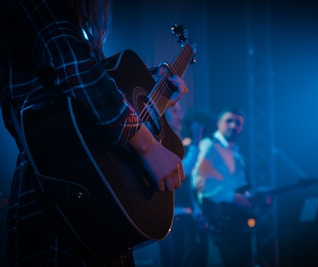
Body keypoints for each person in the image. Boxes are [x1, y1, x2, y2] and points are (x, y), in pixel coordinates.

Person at [0, 0, 188, 266]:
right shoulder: (38, 6)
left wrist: (154, 95)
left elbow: (91, 97)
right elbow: (80, 73)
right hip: (57, 191)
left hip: (94, 192)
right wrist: (148, 146)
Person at [192, 107, 253, 267]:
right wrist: (232, 197)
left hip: (236, 222)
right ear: (219, 123)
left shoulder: (236, 152)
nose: (233, 125)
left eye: (238, 123)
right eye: (229, 121)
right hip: (219, 223)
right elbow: (199, 182)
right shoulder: (210, 145)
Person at [159, 101, 211, 267]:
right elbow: (182, 172)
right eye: (174, 111)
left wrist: (197, 210)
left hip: (185, 215)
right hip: (171, 217)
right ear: (163, 114)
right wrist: (197, 139)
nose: (180, 116)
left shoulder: (179, 142)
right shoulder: (161, 142)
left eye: (179, 111)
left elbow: (187, 183)